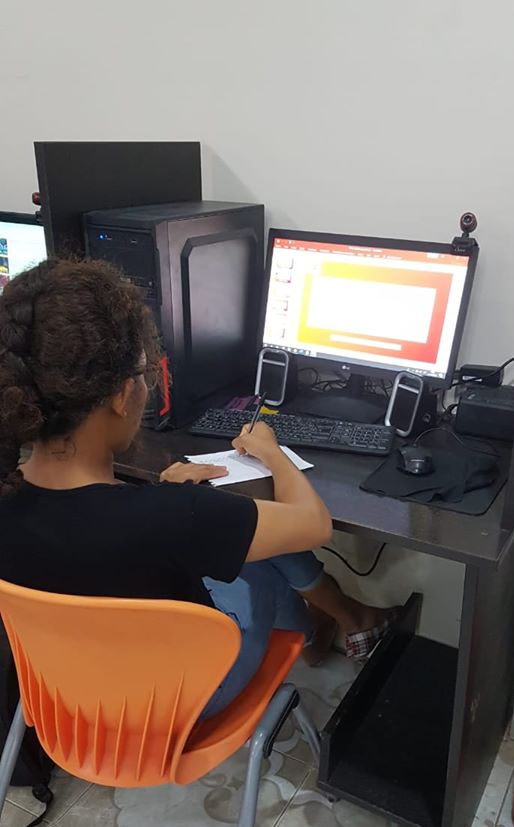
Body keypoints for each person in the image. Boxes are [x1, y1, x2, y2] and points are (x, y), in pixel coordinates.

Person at [0, 259, 395, 717]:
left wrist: (168, 495)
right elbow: (314, 523)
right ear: (122, 396)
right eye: (146, 372)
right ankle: (327, 624)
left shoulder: (12, 498)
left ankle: (325, 623)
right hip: (180, 701)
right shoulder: (174, 514)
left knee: (238, 533)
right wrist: (273, 452)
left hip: (66, 696)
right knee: (253, 558)